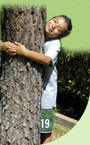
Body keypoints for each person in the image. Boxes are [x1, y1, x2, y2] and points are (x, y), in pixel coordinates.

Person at [0, 15, 72, 144]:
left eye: (58, 29)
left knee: (44, 132)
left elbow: (47, 60)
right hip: (26, 94)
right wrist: (2, 46)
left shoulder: (54, 43)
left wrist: (25, 52)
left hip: (46, 97)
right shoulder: (35, 33)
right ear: (48, 18)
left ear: (59, 36)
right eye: (54, 21)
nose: (54, 26)